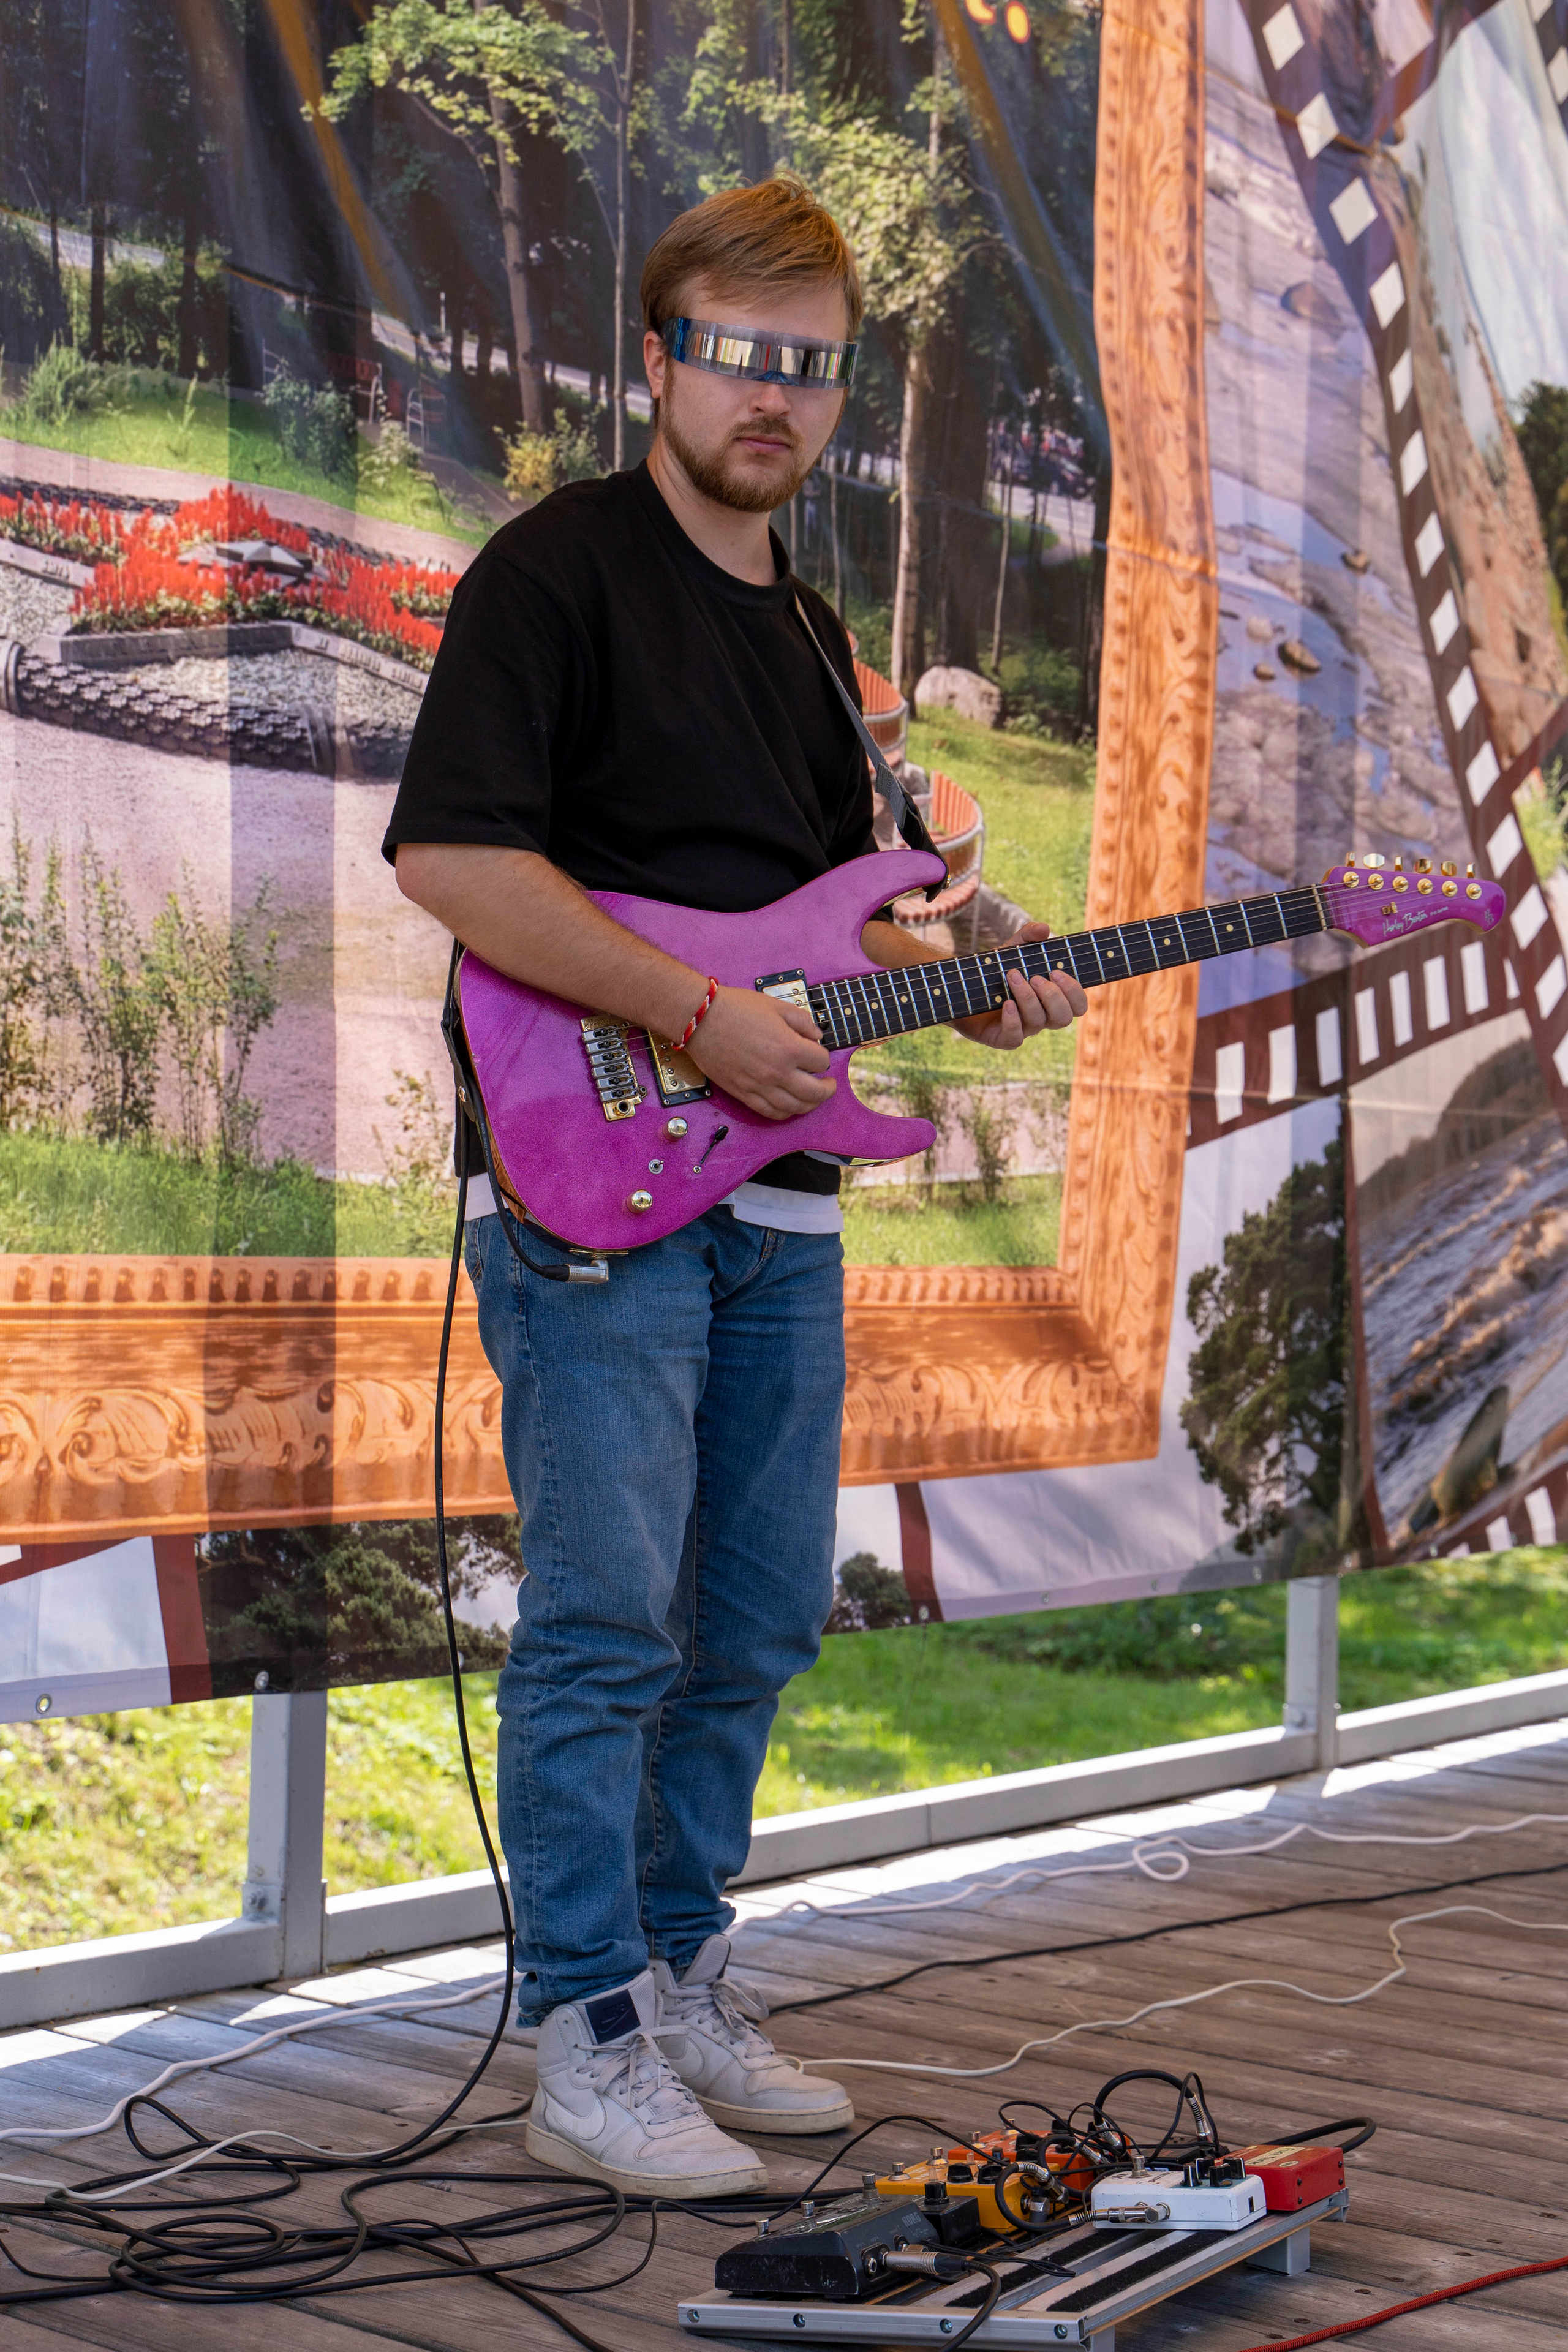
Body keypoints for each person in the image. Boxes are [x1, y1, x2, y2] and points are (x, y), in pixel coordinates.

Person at [384, 178, 1087, 2200]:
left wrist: (989, 959)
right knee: (607, 1620)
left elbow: (853, 930)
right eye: (741, 354)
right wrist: (694, 1018)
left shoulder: (807, 630)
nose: (775, 398)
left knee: (758, 1621)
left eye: (814, 368)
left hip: (779, 1203)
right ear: (661, 357)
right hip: (596, 1187)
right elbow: (456, 863)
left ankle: (687, 1976)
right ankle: (584, 2028)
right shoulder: (556, 574)